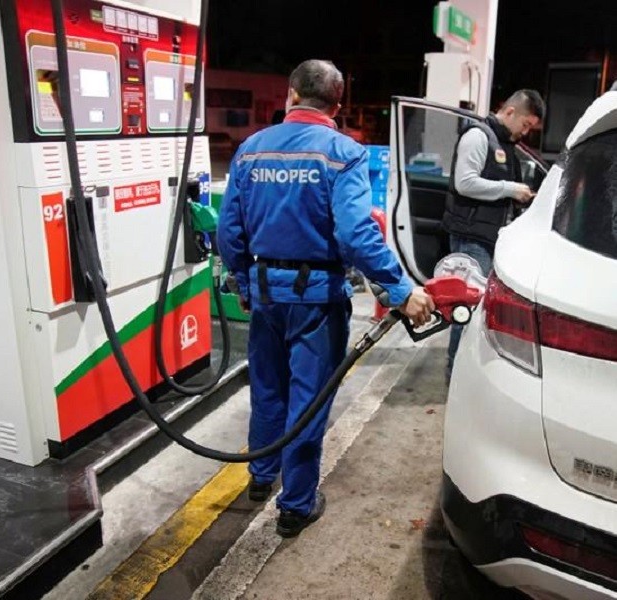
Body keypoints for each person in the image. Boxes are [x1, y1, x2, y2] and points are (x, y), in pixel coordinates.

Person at [217, 59, 434, 538]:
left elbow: (228, 232)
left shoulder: (251, 149)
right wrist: (400, 289)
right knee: (308, 402)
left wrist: (246, 284)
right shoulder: (343, 153)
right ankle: (294, 505)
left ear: (291, 93)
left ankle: (260, 477)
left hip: (267, 295)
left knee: (268, 389)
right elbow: (357, 233)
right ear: (338, 104)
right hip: (317, 302)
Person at [441, 89, 545, 383]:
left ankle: (465, 371)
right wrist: (511, 189)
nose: (525, 132)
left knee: (477, 310)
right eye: (525, 125)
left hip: (487, 237)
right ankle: (455, 376)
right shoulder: (479, 137)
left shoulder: (505, 143)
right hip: (472, 238)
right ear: (510, 112)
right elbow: (465, 183)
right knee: (466, 307)